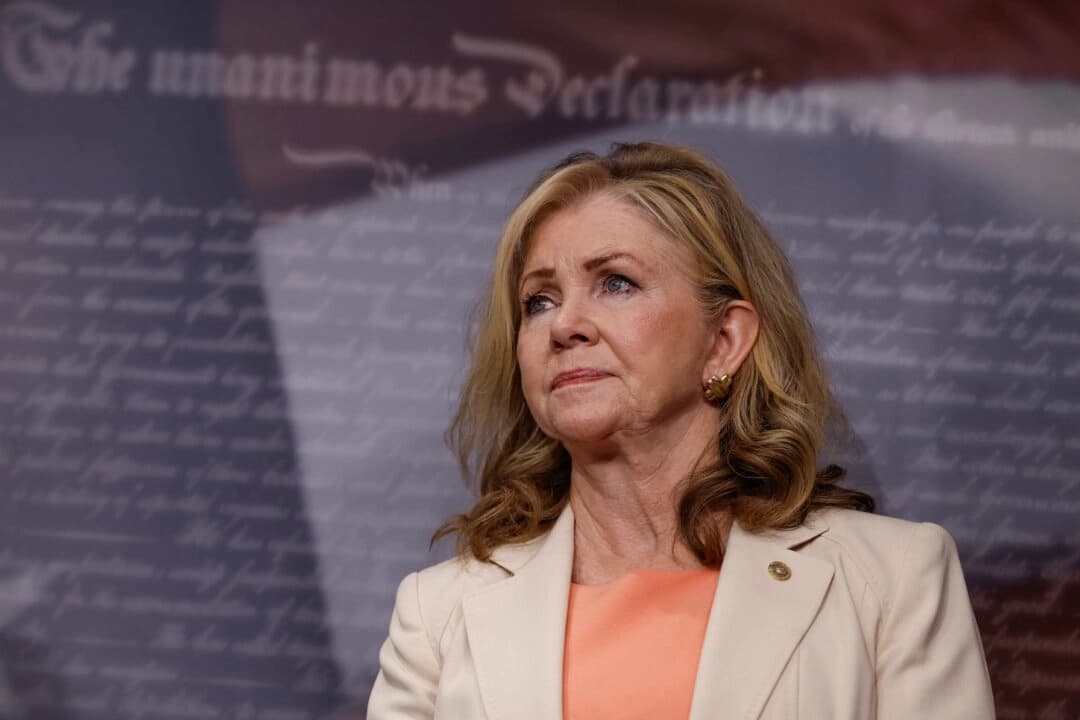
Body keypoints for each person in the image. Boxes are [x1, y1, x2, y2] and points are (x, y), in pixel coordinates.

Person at [366, 142, 995, 719]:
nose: (564, 325)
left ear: (723, 340)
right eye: (540, 301)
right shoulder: (438, 614)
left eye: (616, 283)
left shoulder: (892, 580)